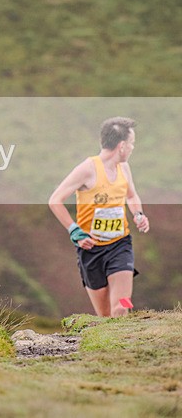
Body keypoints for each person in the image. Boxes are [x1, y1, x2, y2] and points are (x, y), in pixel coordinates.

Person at [48, 117, 150, 318]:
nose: (132, 148)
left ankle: (126, 345)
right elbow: (55, 200)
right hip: (91, 250)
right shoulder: (87, 169)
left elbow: (131, 195)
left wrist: (138, 214)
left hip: (120, 245)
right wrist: (74, 230)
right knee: (104, 316)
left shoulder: (124, 168)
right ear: (121, 146)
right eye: (131, 144)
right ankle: (109, 346)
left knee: (121, 307)